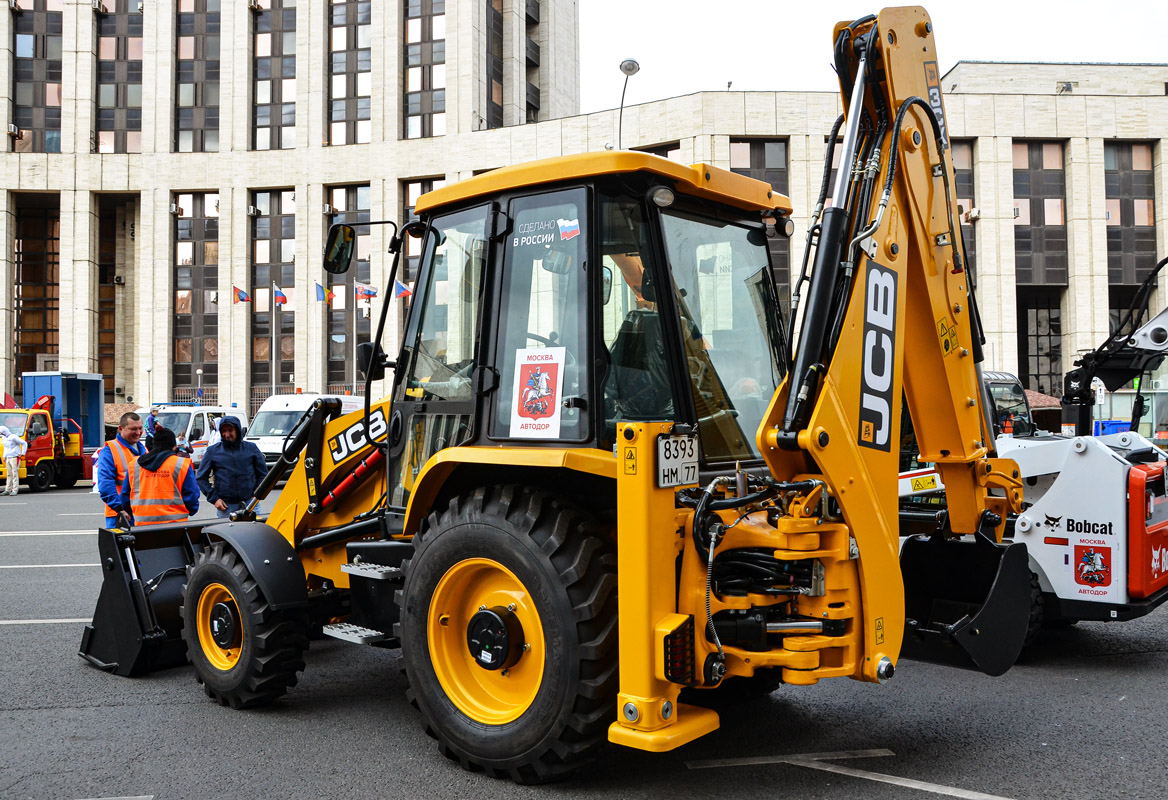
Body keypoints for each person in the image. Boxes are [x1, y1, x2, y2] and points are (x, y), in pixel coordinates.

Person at [119, 426, 199, 525]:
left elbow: (125, 496)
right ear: (174, 446)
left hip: (142, 524)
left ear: (154, 444)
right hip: (175, 524)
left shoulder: (134, 465)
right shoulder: (182, 464)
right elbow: (191, 495)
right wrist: (191, 510)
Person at [196, 415, 267, 519]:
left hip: (250, 504)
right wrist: (214, 499)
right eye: (224, 431)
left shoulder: (251, 448)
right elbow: (201, 478)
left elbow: (263, 474)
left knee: (253, 533)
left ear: (237, 430)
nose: (227, 434)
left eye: (230, 430)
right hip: (225, 507)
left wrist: (257, 494)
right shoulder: (213, 451)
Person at [96, 412, 146, 528]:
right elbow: (105, 484)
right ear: (120, 429)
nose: (138, 433)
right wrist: (119, 508)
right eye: (133, 429)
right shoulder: (109, 451)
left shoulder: (144, 449)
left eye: (140, 428)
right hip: (120, 515)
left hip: (140, 513)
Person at [0, 425, 29, 496]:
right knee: (9, 474)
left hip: (14, 457)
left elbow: (24, 443)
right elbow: (6, 448)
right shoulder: (4, 438)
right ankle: (8, 489)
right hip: (8, 457)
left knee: (15, 473)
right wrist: (4, 456)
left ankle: (15, 489)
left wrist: (22, 453)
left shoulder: (13, 437)